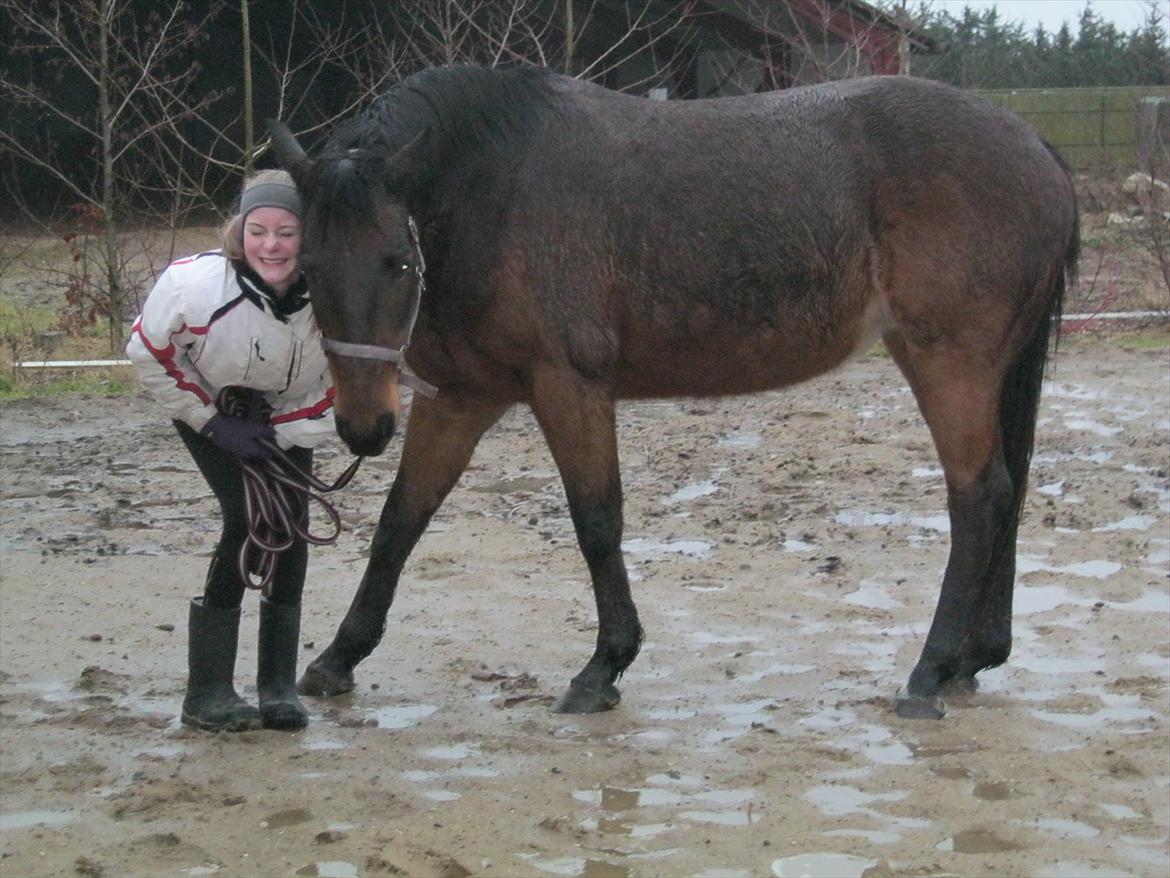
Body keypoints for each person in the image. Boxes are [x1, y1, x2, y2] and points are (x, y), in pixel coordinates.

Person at [126, 170, 335, 732]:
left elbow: (343, 374)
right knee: (246, 520)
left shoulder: (330, 293)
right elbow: (149, 352)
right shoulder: (195, 286)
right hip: (210, 412)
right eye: (258, 230)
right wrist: (215, 422)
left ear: (306, 236)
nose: (271, 245)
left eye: (287, 232)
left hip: (286, 419)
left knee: (290, 526)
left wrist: (282, 428)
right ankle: (208, 691)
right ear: (239, 231)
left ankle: (278, 686)